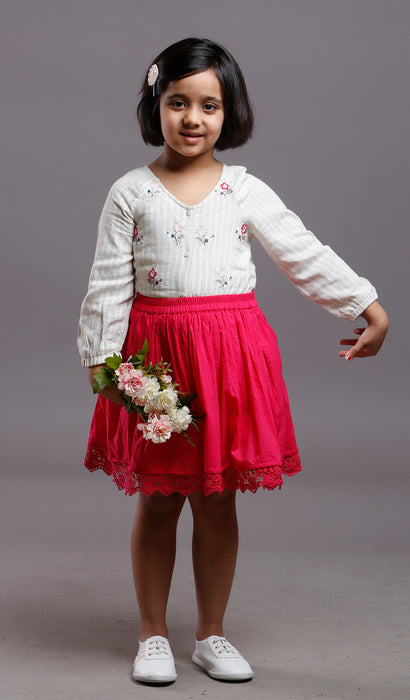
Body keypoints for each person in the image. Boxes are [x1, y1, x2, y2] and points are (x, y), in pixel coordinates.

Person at [77, 37, 389, 685]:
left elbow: (302, 252)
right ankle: (153, 634)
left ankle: (210, 634)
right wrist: (102, 363)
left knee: (218, 499)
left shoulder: (244, 189)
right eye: (178, 102)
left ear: (230, 112)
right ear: (155, 106)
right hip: (158, 366)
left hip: (230, 362)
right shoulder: (130, 192)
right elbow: (108, 283)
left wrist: (365, 305)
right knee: (159, 498)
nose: (193, 118)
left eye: (209, 105)